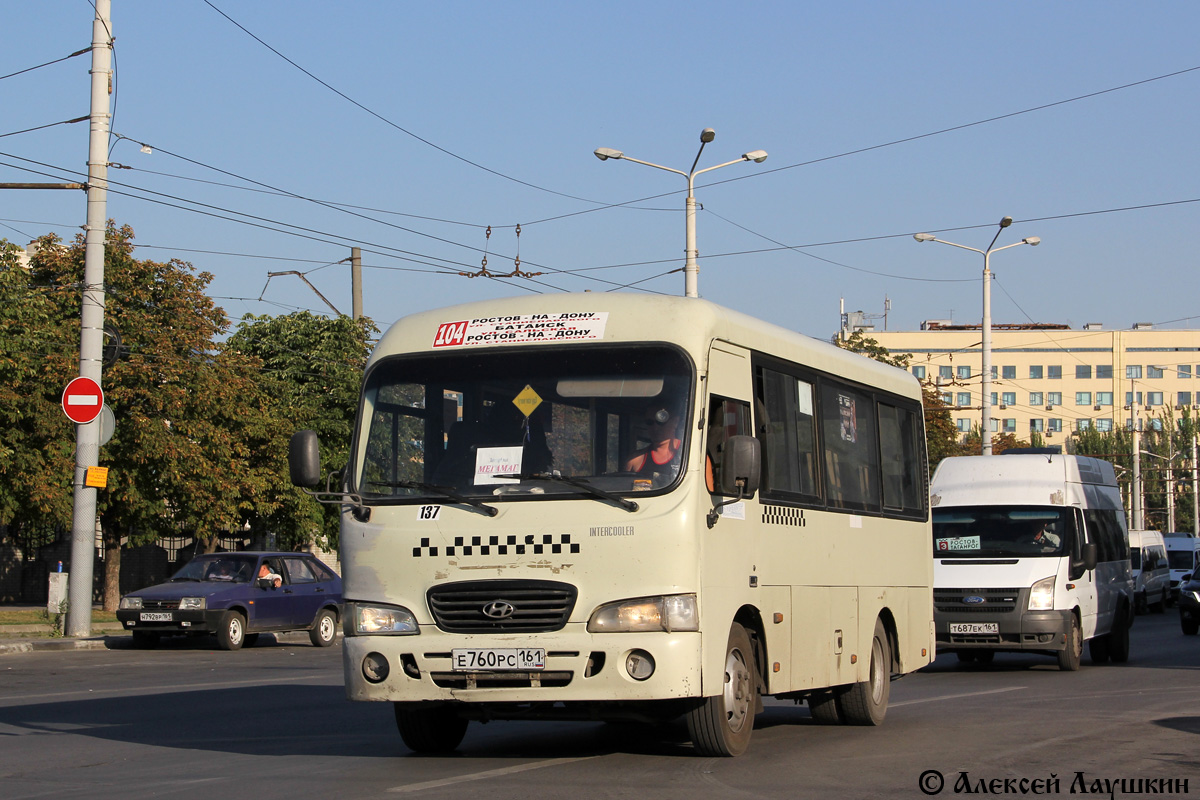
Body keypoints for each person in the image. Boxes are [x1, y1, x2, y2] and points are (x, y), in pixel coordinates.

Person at [625, 406, 683, 480]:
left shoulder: (690, 454)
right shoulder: (635, 460)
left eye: (661, 421)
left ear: (675, 421)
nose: (655, 427)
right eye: (650, 422)